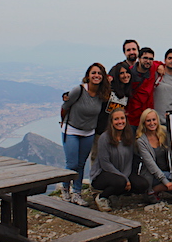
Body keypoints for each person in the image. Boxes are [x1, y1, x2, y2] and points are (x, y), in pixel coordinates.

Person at [60, 62, 111, 206]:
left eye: (99, 73)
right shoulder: (79, 90)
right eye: (93, 73)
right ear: (88, 75)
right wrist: (63, 123)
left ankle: (77, 193)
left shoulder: (102, 94)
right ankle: (65, 189)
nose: (96, 76)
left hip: (88, 132)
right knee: (72, 163)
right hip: (72, 130)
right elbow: (65, 106)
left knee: (81, 164)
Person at [90, 109, 149, 211]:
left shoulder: (128, 136)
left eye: (122, 118)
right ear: (111, 122)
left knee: (142, 184)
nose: (120, 121)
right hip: (103, 173)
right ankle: (102, 197)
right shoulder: (104, 138)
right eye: (116, 119)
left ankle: (116, 194)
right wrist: (125, 179)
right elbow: (105, 164)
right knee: (120, 182)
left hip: (123, 172)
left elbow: (130, 159)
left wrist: (126, 177)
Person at [136, 108, 172, 204]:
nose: (152, 123)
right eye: (148, 120)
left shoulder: (164, 133)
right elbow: (151, 165)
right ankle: (151, 191)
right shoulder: (141, 141)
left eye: (154, 120)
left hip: (166, 171)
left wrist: (171, 119)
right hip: (151, 175)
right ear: (144, 123)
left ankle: (161, 189)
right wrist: (165, 181)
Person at [127, 47, 163, 128]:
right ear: (139, 59)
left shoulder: (153, 67)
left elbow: (162, 64)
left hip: (148, 119)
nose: (148, 61)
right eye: (145, 58)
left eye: (151, 59)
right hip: (132, 118)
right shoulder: (129, 73)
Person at [154, 49, 172, 122]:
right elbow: (149, 63)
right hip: (155, 120)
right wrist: (159, 65)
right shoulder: (157, 73)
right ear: (165, 60)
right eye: (170, 58)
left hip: (169, 120)